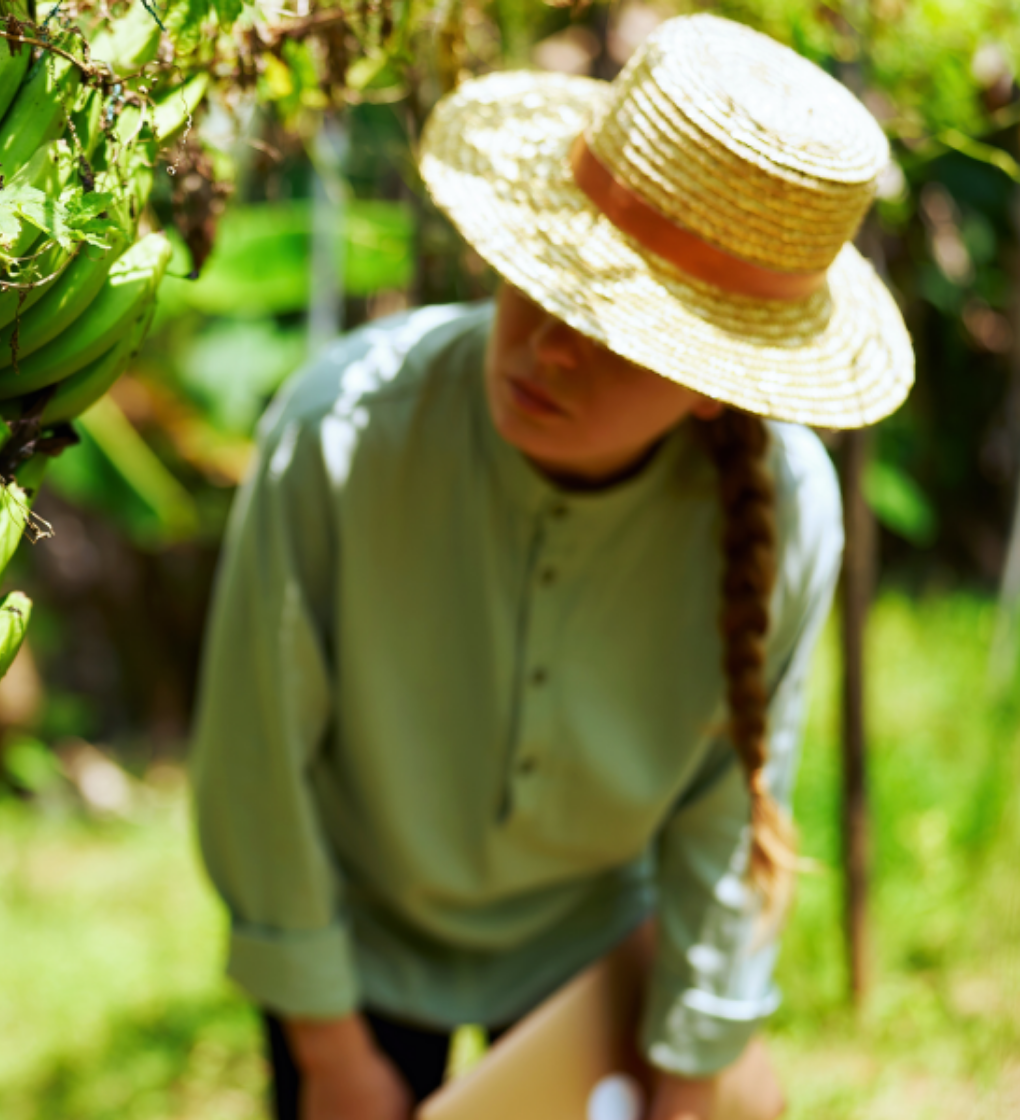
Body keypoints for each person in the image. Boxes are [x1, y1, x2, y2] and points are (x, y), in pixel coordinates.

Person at [188, 14, 914, 1120]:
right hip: (360, 935)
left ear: (715, 382)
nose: (548, 348)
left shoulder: (789, 511)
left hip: (596, 944)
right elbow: (257, 763)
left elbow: (730, 810)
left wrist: (696, 1053)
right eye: (550, 280)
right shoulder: (341, 433)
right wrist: (329, 1048)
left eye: (621, 333)